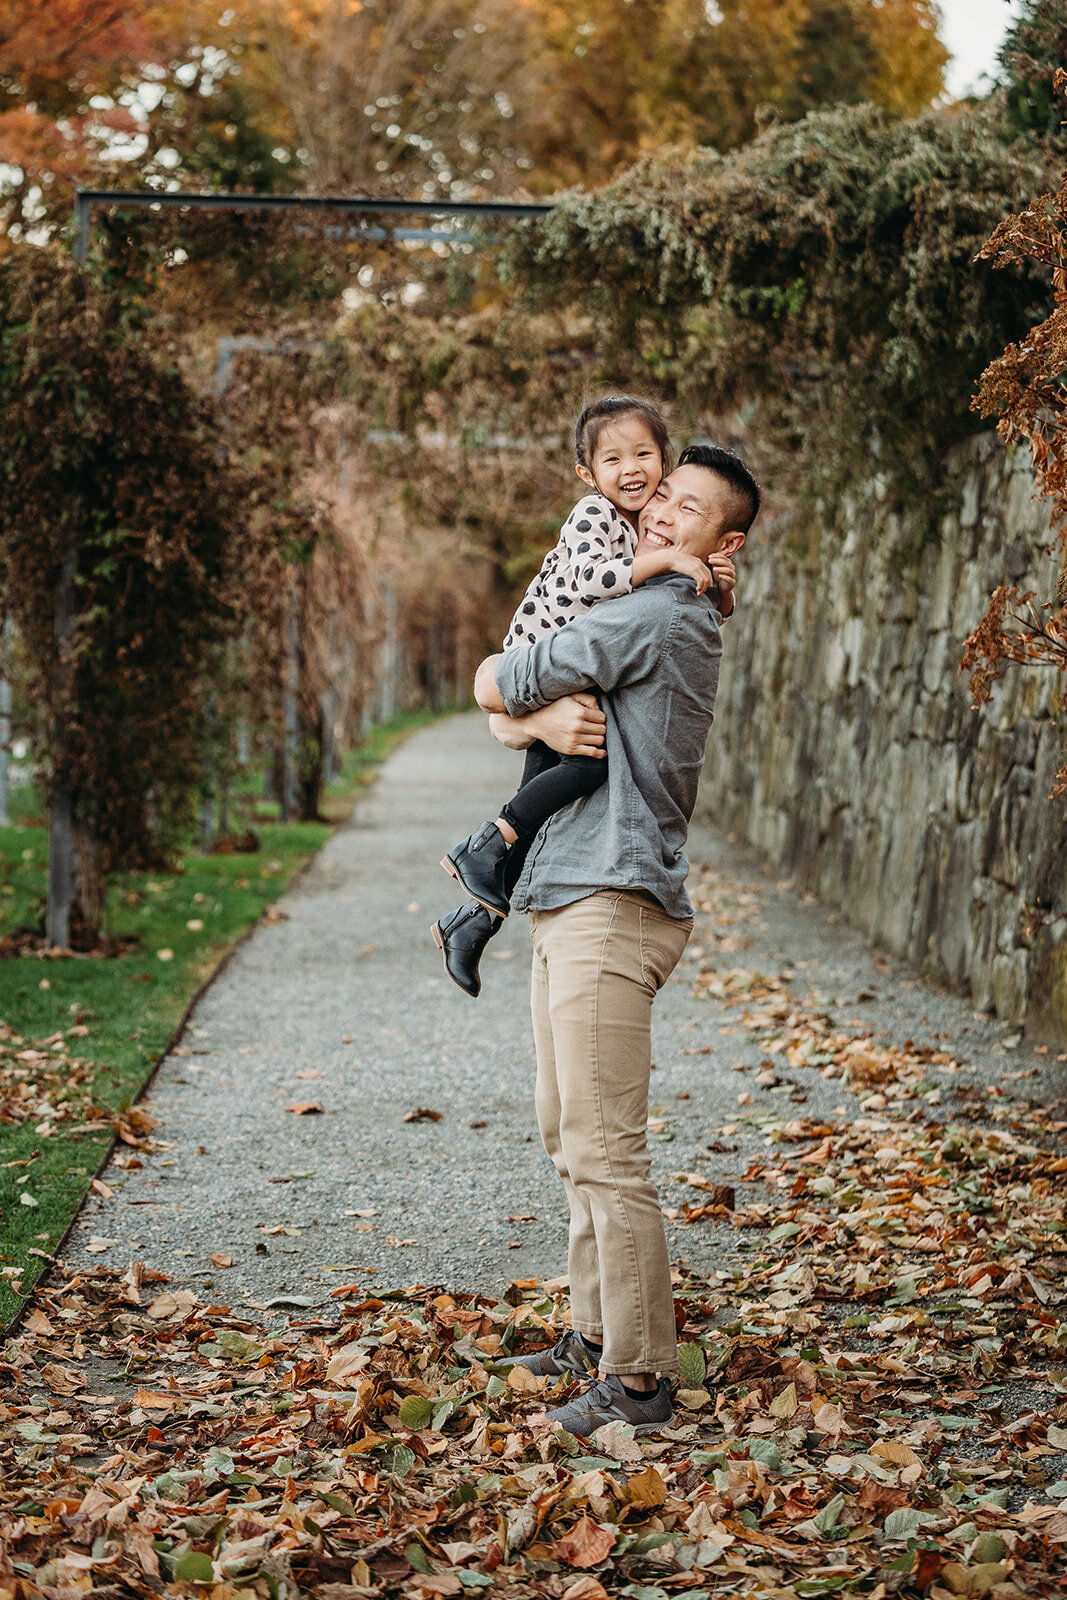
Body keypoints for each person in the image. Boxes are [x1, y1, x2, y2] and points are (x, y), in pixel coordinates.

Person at [472, 443, 761, 1438]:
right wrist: (525, 716)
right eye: (661, 499)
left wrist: (507, 704)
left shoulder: (658, 609)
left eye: (687, 511)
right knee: (568, 1133)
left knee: (604, 1149)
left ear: (721, 542)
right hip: (570, 893)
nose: (660, 517)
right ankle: (592, 1338)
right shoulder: (665, 595)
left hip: (609, 898)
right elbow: (528, 703)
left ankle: (638, 1379)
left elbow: (509, 675)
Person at [432, 396, 736, 998]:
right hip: (543, 647)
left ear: (663, 461)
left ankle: (472, 918)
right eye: (613, 457)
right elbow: (600, 583)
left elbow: (671, 625)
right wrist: (675, 556)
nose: (632, 469)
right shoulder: (594, 514)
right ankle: (485, 845)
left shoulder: (642, 519)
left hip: (572, 663)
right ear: (587, 474)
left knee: (550, 784)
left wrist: (716, 591)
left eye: (645, 455)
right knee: (587, 762)